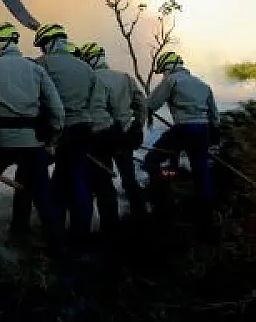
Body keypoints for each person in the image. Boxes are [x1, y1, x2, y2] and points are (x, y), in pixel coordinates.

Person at [0, 23, 66, 251]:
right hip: (32, 143)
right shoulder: (36, 69)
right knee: (45, 200)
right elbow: (57, 112)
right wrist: (51, 140)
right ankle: (61, 252)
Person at [23, 23, 112, 249]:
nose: (42, 49)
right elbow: (95, 104)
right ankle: (80, 234)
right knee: (77, 179)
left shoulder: (40, 64)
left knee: (36, 178)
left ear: (50, 43)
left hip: (57, 130)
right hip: (84, 130)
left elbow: (33, 98)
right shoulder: (87, 69)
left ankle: (50, 234)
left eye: (43, 44)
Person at [141, 51, 220, 236]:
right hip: (203, 130)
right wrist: (213, 137)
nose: (163, 75)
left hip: (184, 129)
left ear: (167, 67)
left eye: (163, 71)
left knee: (151, 160)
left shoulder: (172, 80)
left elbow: (152, 104)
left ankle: (163, 203)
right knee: (201, 171)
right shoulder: (202, 84)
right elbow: (215, 116)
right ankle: (207, 219)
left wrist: (139, 107)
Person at [78, 42, 150, 220]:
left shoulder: (92, 79)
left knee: (103, 182)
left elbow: (95, 109)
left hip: (101, 139)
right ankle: (141, 216)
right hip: (125, 137)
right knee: (129, 178)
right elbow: (142, 104)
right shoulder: (124, 77)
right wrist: (137, 127)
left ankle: (110, 225)